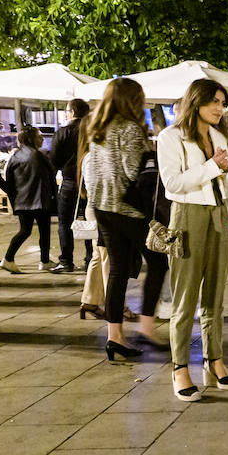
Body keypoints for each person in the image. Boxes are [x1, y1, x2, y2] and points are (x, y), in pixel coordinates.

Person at [157, 78, 228, 401]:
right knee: (185, 297)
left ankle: (215, 360)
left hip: (220, 213)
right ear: (197, 101)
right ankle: (180, 368)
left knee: (215, 294)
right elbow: (173, 183)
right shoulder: (170, 137)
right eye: (215, 102)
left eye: (223, 103)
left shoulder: (221, 135)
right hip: (187, 216)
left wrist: (225, 173)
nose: (220, 109)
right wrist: (212, 167)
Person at [85, 78, 168, 359]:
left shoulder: (97, 129)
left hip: (103, 209)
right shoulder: (130, 129)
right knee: (158, 261)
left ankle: (115, 336)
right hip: (128, 209)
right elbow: (135, 173)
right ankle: (147, 326)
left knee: (118, 271)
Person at [0, 126, 55, 274]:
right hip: (39, 200)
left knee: (25, 230)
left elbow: (9, 182)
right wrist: (53, 197)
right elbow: (49, 179)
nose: (42, 138)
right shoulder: (39, 156)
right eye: (39, 136)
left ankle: (9, 258)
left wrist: (14, 199)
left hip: (22, 201)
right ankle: (44, 261)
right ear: (31, 138)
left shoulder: (15, 157)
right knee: (44, 231)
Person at [51, 98, 91, 273]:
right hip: (89, 182)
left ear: (72, 113)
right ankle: (91, 259)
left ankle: (66, 260)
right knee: (90, 220)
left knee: (65, 222)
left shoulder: (63, 133)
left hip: (69, 182)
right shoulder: (93, 132)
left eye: (66, 111)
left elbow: (55, 160)